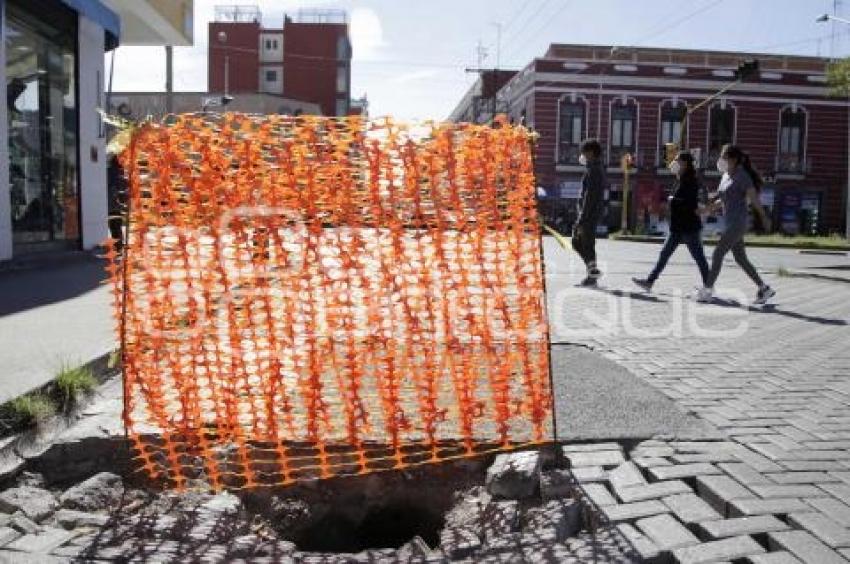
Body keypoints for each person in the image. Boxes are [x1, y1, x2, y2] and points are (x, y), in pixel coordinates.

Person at [699, 144, 775, 304]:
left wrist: (764, 216)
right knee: (741, 258)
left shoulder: (743, 176)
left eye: (724, 157)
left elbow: (753, 198)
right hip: (729, 223)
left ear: (733, 159)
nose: (720, 160)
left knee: (717, 254)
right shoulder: (726, 175)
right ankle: (764, 288)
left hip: (738, 223)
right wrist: (707, 209)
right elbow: (722, 200)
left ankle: (707, 289)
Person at [632, 151, 709, 292]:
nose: (674, 162)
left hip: (689, 226)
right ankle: (649, 282)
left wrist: (672, 201)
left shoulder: (691, 181)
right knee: (664, 254)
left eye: (677, 160)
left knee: (699, 257)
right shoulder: (681, 179)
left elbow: (689, 203)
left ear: (685, 163)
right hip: (677, 226)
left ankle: (708, 286)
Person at [572, 138, 607, 286]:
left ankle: (592, 274)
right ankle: (592, 272)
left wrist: (582, 217)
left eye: (584, 152)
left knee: (582, 243)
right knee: (582, 243)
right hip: (589, 214)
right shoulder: (593, 169)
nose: (582, 156)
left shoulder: (594, 171)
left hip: (589, 215)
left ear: (591, 153)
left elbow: (589, 197)